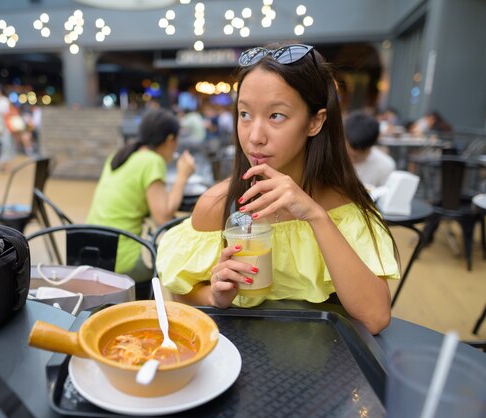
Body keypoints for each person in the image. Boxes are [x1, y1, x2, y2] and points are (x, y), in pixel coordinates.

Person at [156, 42, 399, 334]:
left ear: (315, 122)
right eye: (244, 114)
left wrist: (315, 216)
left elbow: (375, 318)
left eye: (276, 116)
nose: (255, 137)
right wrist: (215, 296)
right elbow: (179, 294)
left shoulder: (344, 208)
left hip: (328, 368)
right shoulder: (217, 205)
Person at [87, 108, 196, 285]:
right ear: (170, 139)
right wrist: (182, 175)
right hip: (121, 261)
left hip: (91, 252)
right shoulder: (152, 161)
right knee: (183, 260)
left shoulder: (119, 155)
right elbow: (163, 218)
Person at [345, 110, 396, 188]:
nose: (353, 153)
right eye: (350, 147)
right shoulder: (329, 158)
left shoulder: (385, 165)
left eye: (362, 151)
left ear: (371, 145)